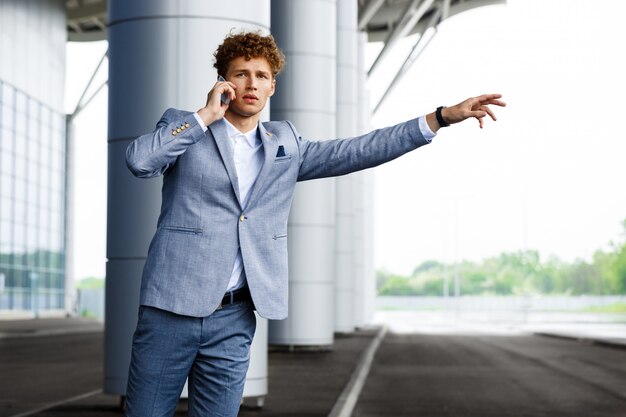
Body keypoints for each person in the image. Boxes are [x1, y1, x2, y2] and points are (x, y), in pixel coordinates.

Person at [123, 30, 505, 417]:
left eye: (261, 75)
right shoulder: (186, 127)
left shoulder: (285, 142)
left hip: (234, 318)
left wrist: (440, 118)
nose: (251, 83)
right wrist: (205, 116)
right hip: (170, 310)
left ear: (273, 85)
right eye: (240, 74)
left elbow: (359, 150)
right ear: (223, 81)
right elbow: (140, 162)